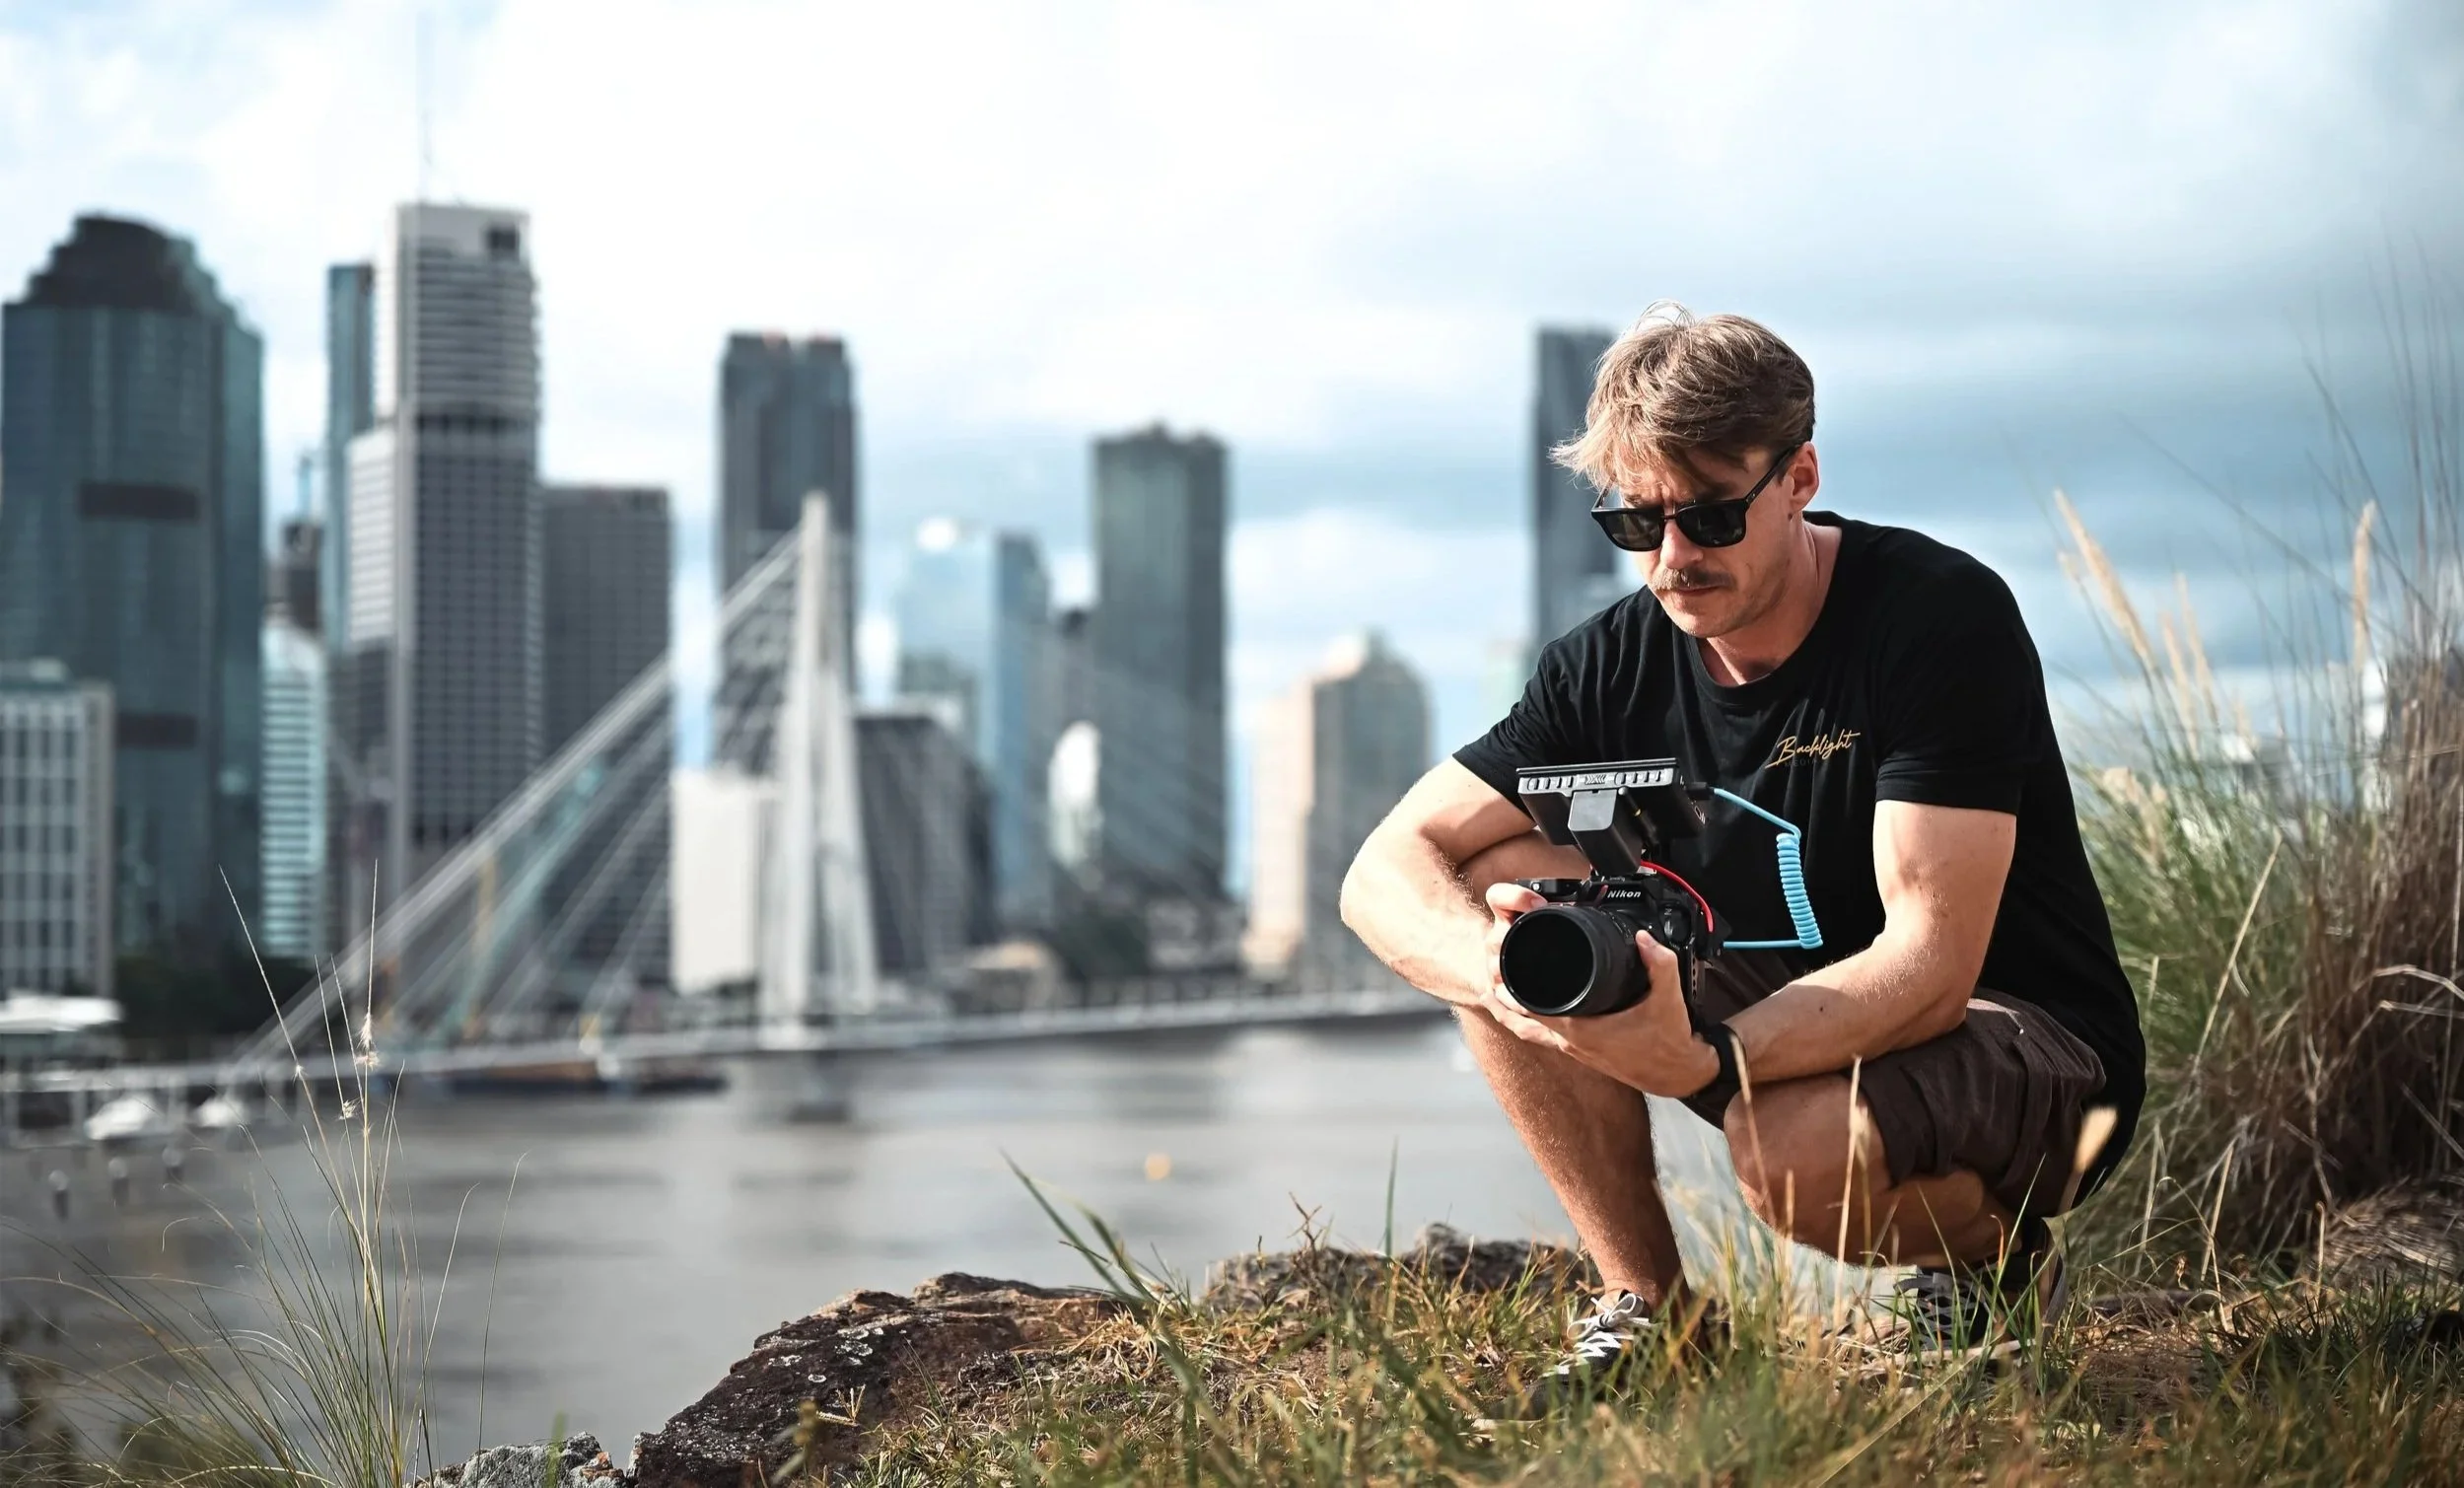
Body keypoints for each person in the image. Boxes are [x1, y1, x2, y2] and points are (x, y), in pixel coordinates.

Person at [1340, 304, 2144, 1396]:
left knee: (1791, 1158)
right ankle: (1651, 1312)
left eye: (1711, 519)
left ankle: (1987, 1268)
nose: (1672, 561)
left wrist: (1712, 1064)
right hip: (1778, 1002)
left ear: (1799, 476)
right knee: (1492, 892)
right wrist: (1506, 978)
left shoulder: (1935, 617)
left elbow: (1932, 961)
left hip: (2017, 1037)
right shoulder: (1610, 663)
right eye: (1637, 524)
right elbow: (1384, 870)